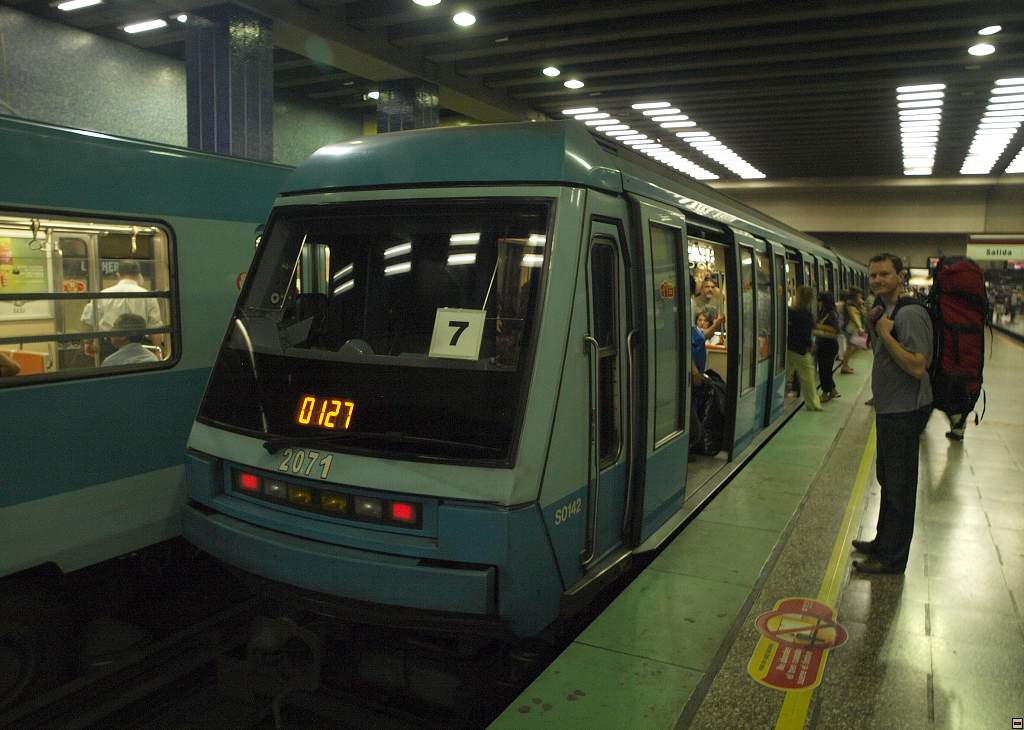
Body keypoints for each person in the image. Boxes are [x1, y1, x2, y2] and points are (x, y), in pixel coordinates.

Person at [852, 253, 933, 575]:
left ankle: (893, 559)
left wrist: (885, 334)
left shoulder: (909, 314)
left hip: (905, 409)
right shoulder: (884, 310)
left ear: (900, 277)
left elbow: (916, 365)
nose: (877, 280)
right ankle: (882, 542)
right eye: (873, 276)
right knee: (887, 480)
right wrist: (875, 329)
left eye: (884, 274)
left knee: (900, 488)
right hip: (890, 408)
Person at [80, 260, 163, 357]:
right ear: (138, 275)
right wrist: (157, 350)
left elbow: (88, 320)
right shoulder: (148, 296)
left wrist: (88, 343)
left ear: (118, 275)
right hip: (140, 346)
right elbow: (155, 326)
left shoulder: (103, 295)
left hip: (109, 347)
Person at [785, 285, 822, 411]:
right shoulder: (807, 314)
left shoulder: (789, 312)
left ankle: (775, 400)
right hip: (801, 351)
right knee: (808, 378)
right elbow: (807, 333)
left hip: (788, 348)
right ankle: (813, 404)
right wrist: (810, 345)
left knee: (784, 375)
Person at [814, 291, 841, 401]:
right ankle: (833, 390)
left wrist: (819, 328)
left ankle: (825, 393)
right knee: (826, 370)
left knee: (824, 370)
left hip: (828, 346)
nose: (818, 303)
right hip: (824, 345)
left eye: (820, 300)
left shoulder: (831, 314)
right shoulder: (825, 312)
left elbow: (836, 330)